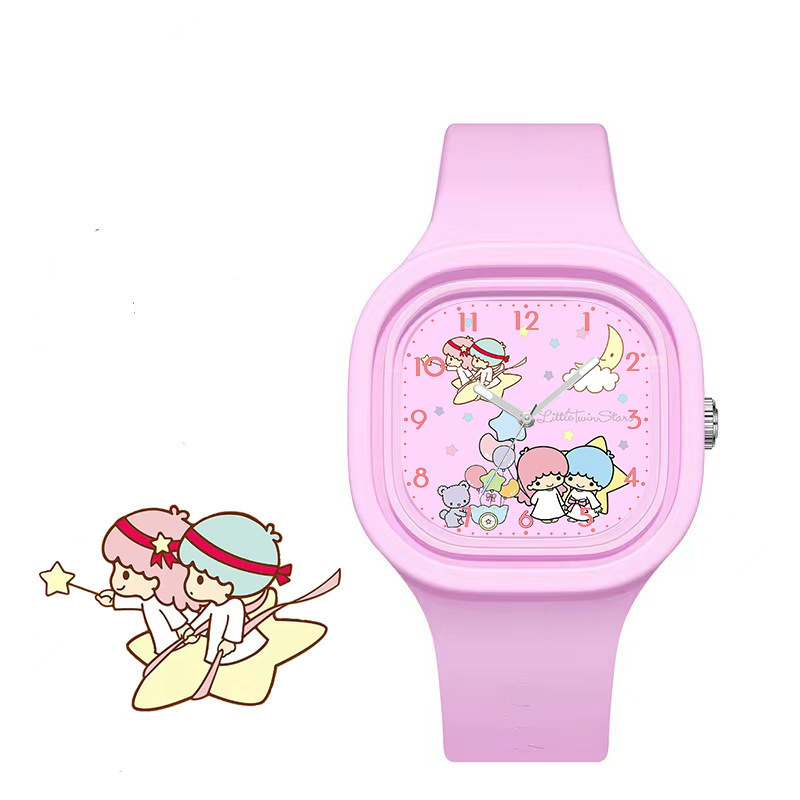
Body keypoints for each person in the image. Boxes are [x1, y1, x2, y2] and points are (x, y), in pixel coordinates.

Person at [96, 506, 199, 656]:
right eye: (116, 568)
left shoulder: (163, 604)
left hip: (174, 649)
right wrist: (113, 599)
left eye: (126, 574)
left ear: (157, 577)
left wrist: (186, 632)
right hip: (163, 650)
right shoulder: (149, 600)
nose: (116, 582)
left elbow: (178, 622)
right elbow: (135, 602)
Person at [516, 446, 568, 523]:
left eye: (558, 478)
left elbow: (559, 498)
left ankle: (554, 517)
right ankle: (546, 518)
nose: (550, 483)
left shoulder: (555, 490)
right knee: (544, 513)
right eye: (538, 483)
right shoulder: (539, 493)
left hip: (555, 508)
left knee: (555, 511)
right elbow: (533, 500)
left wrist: (562, 504)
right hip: (543, 509)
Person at [564, 445, 614, 522]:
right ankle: (574, 517)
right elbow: (569, 498)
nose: (580, 484)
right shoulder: (573, 491)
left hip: (586, 508)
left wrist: (596, 507)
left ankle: (587, 518)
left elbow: (592, 500)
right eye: (571, 478)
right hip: (574, 507)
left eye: (591, 484)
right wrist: (566, 505)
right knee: (574, 512)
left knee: (586, 513)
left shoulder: (588, 493)